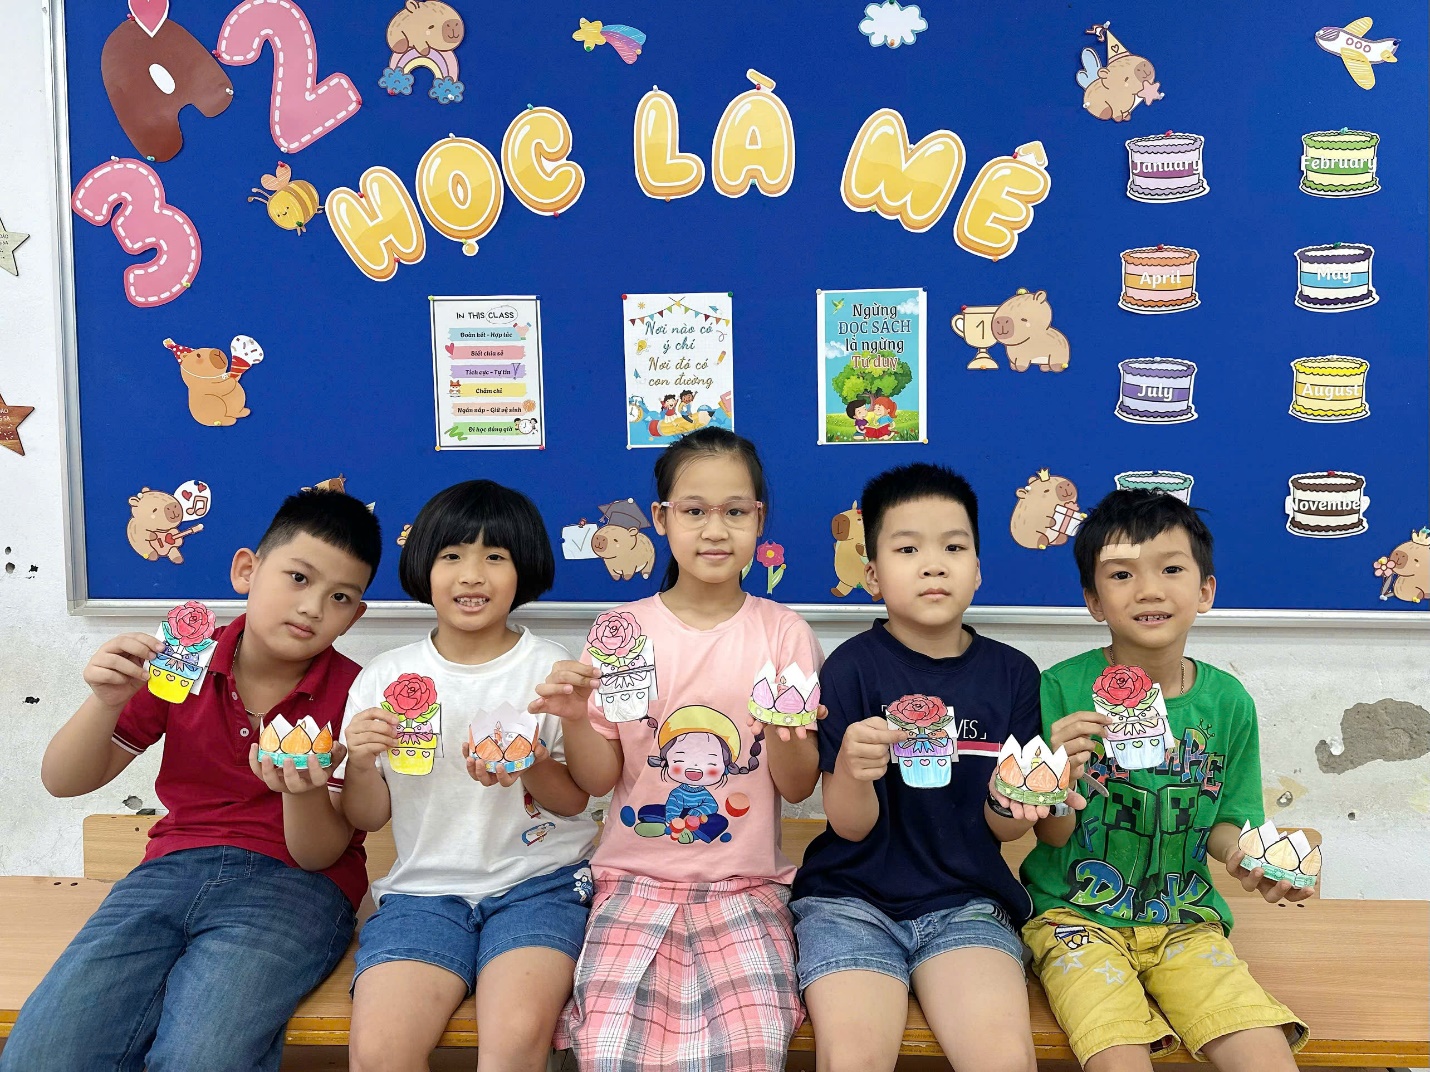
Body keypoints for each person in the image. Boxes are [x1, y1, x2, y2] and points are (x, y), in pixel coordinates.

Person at [1, 490, 381, 1072]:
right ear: (246, 571)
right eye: (298, 578)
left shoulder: (355, 691)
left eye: (339, 598)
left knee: (200, 1057)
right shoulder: (185, 659)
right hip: (168, 870)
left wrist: (300, 794)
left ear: (354, 617)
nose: (311, 608)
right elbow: (63, 781)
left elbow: (319, 854)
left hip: (297, 887)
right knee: (44, 1053)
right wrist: (105, 703)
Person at [533, 427, 823, 1071]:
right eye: (693, 511)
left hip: (744, 886)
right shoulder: (621, 631)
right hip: (630, 883)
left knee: (753, 1044)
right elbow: (602, 776)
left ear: (759, 519)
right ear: (662, 519)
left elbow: (799, 786)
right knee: (607, 1048)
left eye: (734, 511)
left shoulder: (783, 633)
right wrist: (578, 718)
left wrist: (785, 729)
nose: (714, 529)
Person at [1020, 489, 1310, 1071]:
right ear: (1093, 601)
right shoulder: (1058, 693)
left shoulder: (1227, 703)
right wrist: (1056, 778)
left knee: (1265, 1053)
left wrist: (1252, 861)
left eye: (1171, 569)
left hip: (1186, 923)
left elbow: (1229, 823)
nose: (1149, 589)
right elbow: (1051, 839)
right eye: (1121, 574)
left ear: (1205, 590)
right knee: (1118, 1056)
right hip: (1073, 920)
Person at [792, 463, 1056, 1072]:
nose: (933, 564)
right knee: (853, 1056)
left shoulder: (1014, 675)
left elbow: (1007, 830)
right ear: (873, 574)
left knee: (1002, 1056)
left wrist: (1022, 795)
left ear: (979, 570)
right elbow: (850, 826)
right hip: (849, 901)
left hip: (967, 901)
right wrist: (856, 772)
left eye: (954, 547)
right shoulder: (851, 669)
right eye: (908, 548)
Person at [337, 480, 598, 1072]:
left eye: (494, 557)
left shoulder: (550, 669)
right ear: (423, 566)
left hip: (541, 885)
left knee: (513, 1048)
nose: (471, 575)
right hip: (421, 894)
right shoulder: (385, 676)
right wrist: (359, 761)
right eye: (451, 556)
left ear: (523, 568)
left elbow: (575, 799)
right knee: (378, 1052)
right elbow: (366, 816)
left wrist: (530, 762)